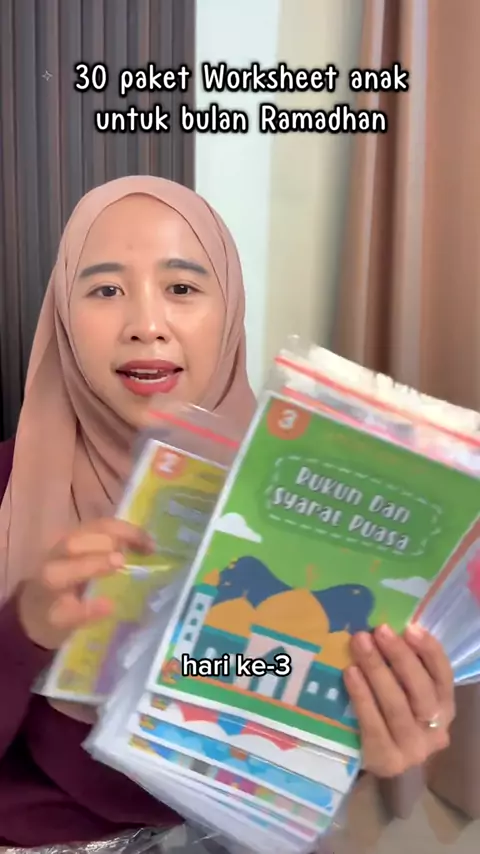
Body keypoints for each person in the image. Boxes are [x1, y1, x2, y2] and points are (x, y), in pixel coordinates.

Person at [0, 176, 455, 852]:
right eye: (106, 290)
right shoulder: (6, 485)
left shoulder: (314, 506)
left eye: (182, 287)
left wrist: (385, 740)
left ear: (230, 308)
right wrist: (24, 630)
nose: (146, 323)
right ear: (64, 316)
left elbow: (313, 766)